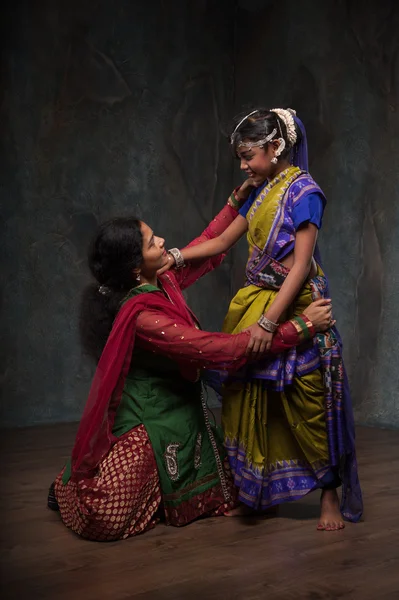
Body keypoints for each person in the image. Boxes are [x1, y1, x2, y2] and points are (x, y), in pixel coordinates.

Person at [48, 197, 332, 541]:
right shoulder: (143, 317)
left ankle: (159, 496)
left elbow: (208, 245)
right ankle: (66, 486)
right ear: (136, 267)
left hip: (184, 407)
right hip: (150, 416)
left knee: (247, 483)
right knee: (103, 517)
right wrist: (300, 326)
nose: (163, 242)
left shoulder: (161, 279)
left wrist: (239, 199)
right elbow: (221, 350)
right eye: (152, 243)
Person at [161, 108, 363, 531]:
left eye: (247, 154)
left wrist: (269, 323)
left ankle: (329, 493)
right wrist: (176, 256)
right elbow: (221, 240)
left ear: (275, 148)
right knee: (247, 397)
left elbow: (303, 266)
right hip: (255, 302)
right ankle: (257, 494)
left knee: (308, 400)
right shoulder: (260, 188)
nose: (242, 165)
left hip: (295, 303)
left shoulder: (305, 193)